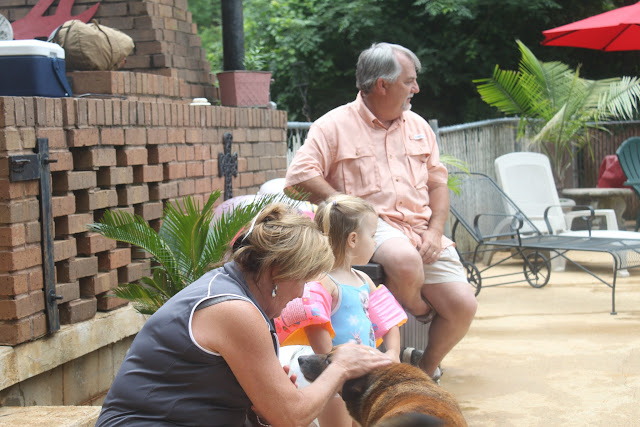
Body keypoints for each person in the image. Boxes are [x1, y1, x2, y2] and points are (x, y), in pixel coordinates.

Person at [96, 203, 392, 427]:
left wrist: (262, 408)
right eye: (303, 279)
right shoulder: (235, 311)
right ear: (277, 271)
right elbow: (291, 417)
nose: (302, 294)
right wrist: (340, 367)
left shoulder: (237, 294)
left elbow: (274, 414)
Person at [284, 42, 478, 382]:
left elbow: (438, 185)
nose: (416, 88)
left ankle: (421, 372)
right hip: (374, 226)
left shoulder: (418, 126)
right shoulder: (333, 125)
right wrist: (344, 205)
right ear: (382, 85)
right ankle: (419, 309)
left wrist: (435, 232)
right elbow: (297, 179)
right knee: (404, 260)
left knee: (464, 305)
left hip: (421, 228)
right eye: (409, 81)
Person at [275, 194, 407, 427]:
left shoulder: (364, 279)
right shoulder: (322, 282)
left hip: (363, 376)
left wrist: (393, 353)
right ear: (353, 239)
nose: (375, 242)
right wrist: (336, 370)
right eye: (373, 235)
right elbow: (315, 325)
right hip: (335, 381)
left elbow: (389, 319)